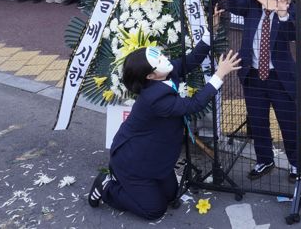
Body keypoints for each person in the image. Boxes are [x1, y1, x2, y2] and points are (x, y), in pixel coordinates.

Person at [89, 32, 241, 220]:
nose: (164, 58)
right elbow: (193, 105)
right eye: (158, 60)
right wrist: (219, 74)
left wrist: (210, 34)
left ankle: (135, 184)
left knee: (170, 195)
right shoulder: (155, 98)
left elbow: (190, 61)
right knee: (154, 210)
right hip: (133, 162)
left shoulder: (164, 73)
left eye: (160, 55)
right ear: (151, 75)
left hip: (154, 156)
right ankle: (106, 187)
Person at [222, 0, 301, 181]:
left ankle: (296, 165)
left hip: (280, 78)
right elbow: (235, 4)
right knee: (258, 121)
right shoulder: (252, 4)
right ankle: (264, 160)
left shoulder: (291, 9)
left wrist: (283, 12)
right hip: (253, 75)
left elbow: (293, 34)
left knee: (288, 122)